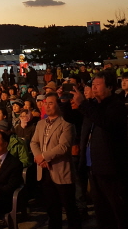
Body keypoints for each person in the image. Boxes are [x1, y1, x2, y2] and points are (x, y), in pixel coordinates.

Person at [73, 72, 128, 229]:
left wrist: (84, 104)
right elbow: (75, 118)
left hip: (113, 170)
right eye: (92, 84)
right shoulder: (94, 105)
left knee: (120, 213)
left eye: (98, 85)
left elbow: (105, 122)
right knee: (102, 214)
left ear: (110, 87)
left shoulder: (116, 105)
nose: (94, 88)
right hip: (94, 169)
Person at [30, 93, 81, 229]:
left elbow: (63, 147)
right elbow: (34, 142)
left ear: (58, 105)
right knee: (52, 208)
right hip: (44, 170)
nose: (47, 106)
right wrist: (39, 157)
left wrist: (44, 156)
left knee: (69, 206)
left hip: (61, 170)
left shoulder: (66, 124)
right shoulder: (40, 124)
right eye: (46, 103)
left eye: (51, 103)